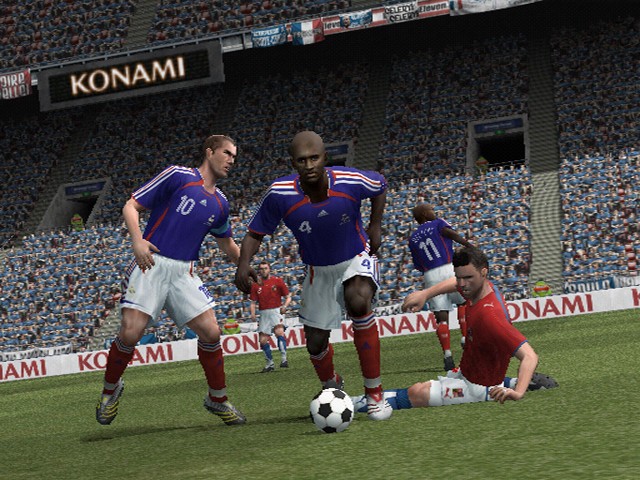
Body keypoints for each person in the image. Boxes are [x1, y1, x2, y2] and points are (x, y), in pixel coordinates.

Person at [234, 131, 393, 421]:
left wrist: (376, 225)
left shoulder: (350, 180)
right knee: (315, 343)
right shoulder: (279, 193)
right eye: (302, 160)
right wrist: (243, 263)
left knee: (358, 301)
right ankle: (332, 387)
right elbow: (255, 233)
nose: (308, 165)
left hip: (355, 258)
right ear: (293, 163)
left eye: (314, 158)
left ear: (325, 158)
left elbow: (380, 184)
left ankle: (375, 394)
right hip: (316, 270)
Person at [95, 135, 246, 426]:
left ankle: (217, 399)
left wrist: (247, 265)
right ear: (209, 152)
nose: (231, 160)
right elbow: (131, 206)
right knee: (130, 333)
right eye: (227, 153)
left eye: (234, 157)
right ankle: (110, 390)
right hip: (151, 263)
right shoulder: (178, 176)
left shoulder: (221, 204)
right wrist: (137, 241)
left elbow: (227, 245)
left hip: (183, 271)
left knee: (212, 333)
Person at [352, 246, 558, 413]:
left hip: (476, 387)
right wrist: (425, 294)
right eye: (459, 277)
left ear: (483, 272)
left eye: (467, 278)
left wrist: (518, 393)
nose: (462, 284)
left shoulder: (490, 316)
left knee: (418, 393)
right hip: (468, 371)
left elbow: (529, 356)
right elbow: (454, 283)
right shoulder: (480, 288)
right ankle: (514, 382)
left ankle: (356, 404)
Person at [408, 203, 472, 371]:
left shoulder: (413, 238)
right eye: (431, 210)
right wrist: (469, 246)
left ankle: (447, 354)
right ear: (424, 214)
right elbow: (451, 234)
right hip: (449, 267)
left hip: (430, 274)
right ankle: (465, 337)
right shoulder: (437, 223)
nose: (434, 212)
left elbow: (417, 264)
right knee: (462, 303)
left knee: (441, 317)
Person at [249, 260, 292, 372]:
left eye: (265, 268)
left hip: (276, 311)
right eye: (261, 269)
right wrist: (252, 313)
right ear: (259, 271)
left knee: (279, 332)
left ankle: (284, 359)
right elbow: (253, 302)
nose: (263, 270)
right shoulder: (255, 285)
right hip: (263, 313)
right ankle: (270, 364)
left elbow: (288, 297)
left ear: (269, 269)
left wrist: (285, 306)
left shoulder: (277, 281)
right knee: (263, 340)